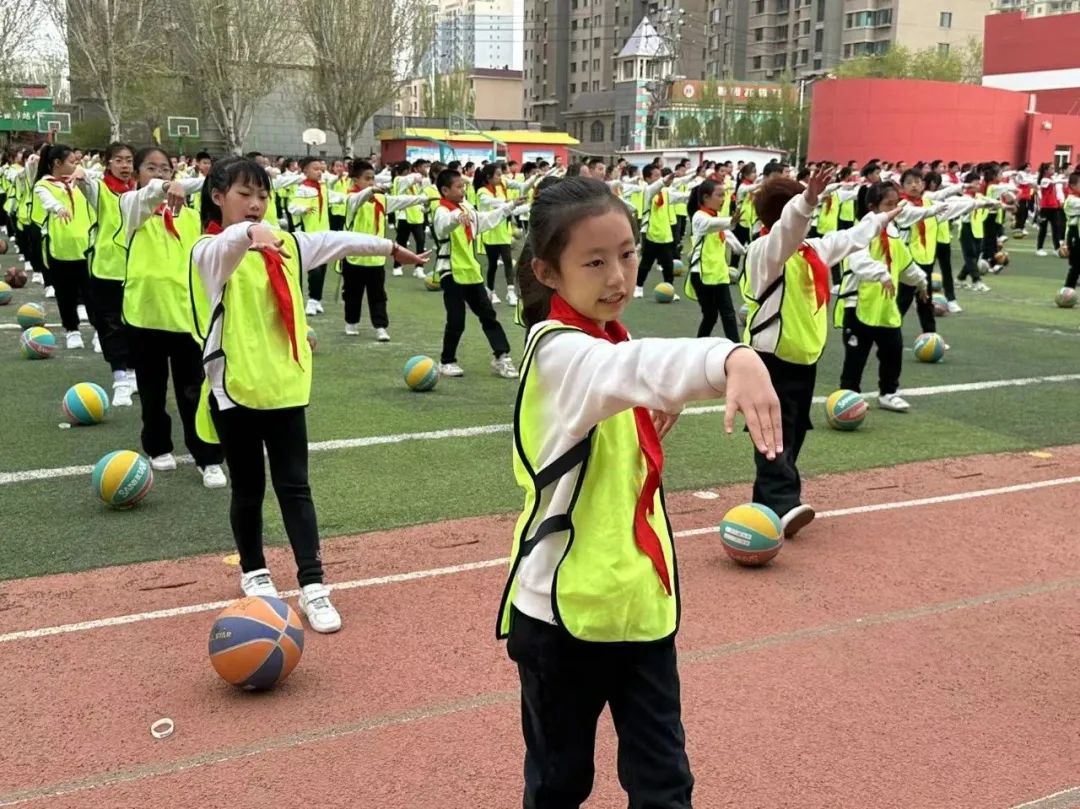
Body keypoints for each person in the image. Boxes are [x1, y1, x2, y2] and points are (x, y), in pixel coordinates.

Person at [500, 176, 781, 809]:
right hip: (564, 613)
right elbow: (628, 370)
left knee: (664, 785)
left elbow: (632, 374)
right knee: (558, 784)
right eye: (594, 262)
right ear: (548, 272)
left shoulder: (610, 341)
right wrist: (731, 359)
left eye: (627, 254)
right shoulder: (561, 354)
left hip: (641, 606)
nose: (618, 276)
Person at [191, 157, 426, 632]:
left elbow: (336, 242)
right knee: (249, 487)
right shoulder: (209, 251)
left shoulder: (288, 245)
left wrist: (389, 247)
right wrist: (249, 234)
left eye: (262, 195)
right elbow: (228, 245)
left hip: (286, 385)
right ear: (217, 196)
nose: (256, 204)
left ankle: (314, 586)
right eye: (244, 194)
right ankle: (255, 573)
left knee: (295, 486)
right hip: (234, 389)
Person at [743, 168, 898, 538]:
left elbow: (848, 239)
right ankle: (783, 502)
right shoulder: (765, 252)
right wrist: (807, 201)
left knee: (794, 431)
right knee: (773, 433)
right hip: (769, 360)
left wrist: (878, 219)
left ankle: (769, 504)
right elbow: (787, 231)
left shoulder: (810, 251)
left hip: (803, 360)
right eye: (800, 208)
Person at [431, 168, 525, 379]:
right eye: (458, 187)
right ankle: (447, 361)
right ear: (445, 190)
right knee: (456, 319)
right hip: (451, 272)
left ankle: (502, 357)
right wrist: (457, 217)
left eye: (463, 186)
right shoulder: (441, 210)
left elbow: (484, 220)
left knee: (488, 315)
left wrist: (509, 206)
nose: (463, 189)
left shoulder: (467, 208)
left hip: (472, 272)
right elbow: (443, 227)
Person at [75, 142, 137, 404]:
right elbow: (84, 183)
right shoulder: (99, 189)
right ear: (108, 163)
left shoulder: (140, 191)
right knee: (111, 325)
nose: (125, 166)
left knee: (134, 324)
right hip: (107, 268)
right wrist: (80, 174)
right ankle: (120, 377)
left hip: (137, 269)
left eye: (129, 161)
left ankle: (134, 373)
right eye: (119, 160)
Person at [341, 159, 430, 340]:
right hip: (355, 256)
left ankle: (380, 326)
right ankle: (351, 322)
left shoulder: (380, 200)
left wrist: (423, 198)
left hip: (376, 257)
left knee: (378, 295)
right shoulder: (350, 199)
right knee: (352, 294)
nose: (371, 182)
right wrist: (369, 190)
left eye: (373, 178)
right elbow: (359, 199)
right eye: (367, 179)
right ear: (355, 180)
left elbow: (400, 201)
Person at [32, 143, 95, 350]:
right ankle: (72, 330)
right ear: (57, 163)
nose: (75, 165)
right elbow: (47, 201)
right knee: (65, 292)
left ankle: (98, 332)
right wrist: (59, 207)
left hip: (88, 246)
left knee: (93, 293)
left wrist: (81, 171)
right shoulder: (44, 185)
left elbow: (96, 176)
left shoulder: (81, 181)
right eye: (71, 162)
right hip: (60, 248)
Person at [685, 177, 743, 341]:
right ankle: (702, 345)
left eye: (724, 195)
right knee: (711, 315)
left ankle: (735, 347)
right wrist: (730, 221)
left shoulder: (718, 222)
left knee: (726, 313)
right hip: (702, 274)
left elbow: (732, 240)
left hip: (718, 274)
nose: (723, 199)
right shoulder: (699, 217)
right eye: (719, 195)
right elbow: (710, 224)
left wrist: (747, 251)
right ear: (706, 198)